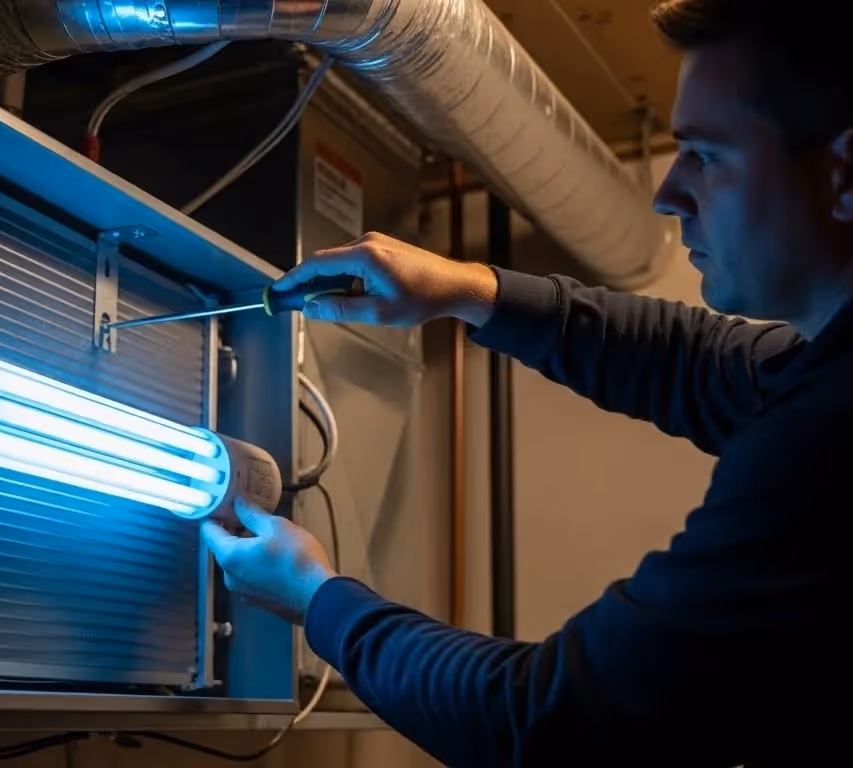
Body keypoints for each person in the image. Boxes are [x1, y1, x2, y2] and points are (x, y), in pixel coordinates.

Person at [200, 2, 849, 766]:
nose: (667, 192)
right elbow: (702, 364)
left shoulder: (826, 438)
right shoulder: (821, 381)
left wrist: (318, 601)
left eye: (706, 156)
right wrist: (469, 291)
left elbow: (555, 721)